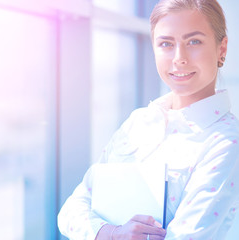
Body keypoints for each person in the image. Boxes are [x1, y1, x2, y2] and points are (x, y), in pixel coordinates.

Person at [58, 0, 239, 239]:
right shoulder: (139, 121)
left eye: (194, 41)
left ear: (221, 49)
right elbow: (70, 211)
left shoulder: (226, 142)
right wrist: (111, 233)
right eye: (166, 43)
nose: (179, 58)